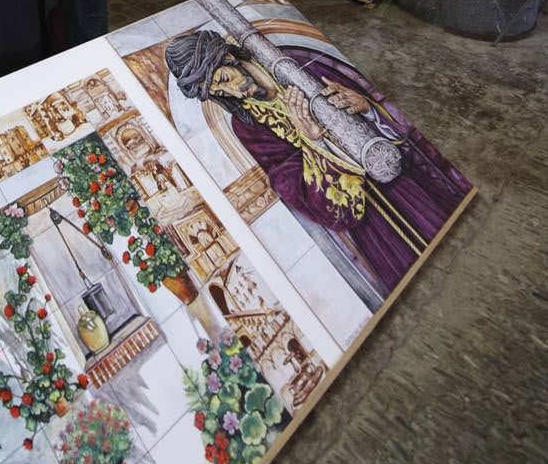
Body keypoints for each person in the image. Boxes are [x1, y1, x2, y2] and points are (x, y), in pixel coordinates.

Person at [164, 28, 471, 298]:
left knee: (461, 243)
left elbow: (378, 101)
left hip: (405, 184)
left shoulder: (293, 62)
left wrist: (365, 107)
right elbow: (289, 183)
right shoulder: (247, 125)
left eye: (225, 79)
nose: (232, 91)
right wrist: (314, 141)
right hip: (370, 221)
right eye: (218, 91)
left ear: (229, 57)